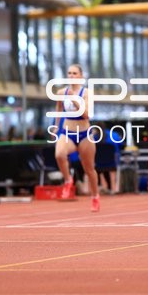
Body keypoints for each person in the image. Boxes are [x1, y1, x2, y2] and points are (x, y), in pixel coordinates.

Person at [53, 64, 100, 212]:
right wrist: (56, 125)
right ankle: (68, 180)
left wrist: (74, 99)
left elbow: (87, 114)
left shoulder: (87, 93)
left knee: (89, 169)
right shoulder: (62, 92)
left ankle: (95, 196)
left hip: (85, 133)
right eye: (69, 73)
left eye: (74, 73)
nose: (71, 75)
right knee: (59, 154)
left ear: (80, 76)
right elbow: (59, 108)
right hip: (67, 132)